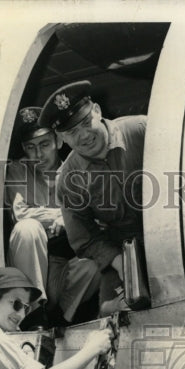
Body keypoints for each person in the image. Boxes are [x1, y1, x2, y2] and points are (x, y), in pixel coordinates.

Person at [37, 81, 146, 314]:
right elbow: (85, 239)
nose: (84, 136)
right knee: (111, 312)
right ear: (61, 138)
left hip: (175, 237)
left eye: (86, 123)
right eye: (72, 132)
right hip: (122, 251)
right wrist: (122, 265)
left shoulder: (142, 130)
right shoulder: (68, 180)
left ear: (97, 111)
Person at [5, 106, 100, 328]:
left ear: (58, 141)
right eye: (31, 147)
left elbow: (94, 217)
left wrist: (68, 218)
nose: (38, 155)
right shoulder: (17, 170)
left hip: (63, 267)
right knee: (28, 228)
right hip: (30, 270)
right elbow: (21, 213)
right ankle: (32, 313)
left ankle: (59, 321)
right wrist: (64, 215)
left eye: (44, 145)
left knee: (94, 264)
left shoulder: (78, 169)